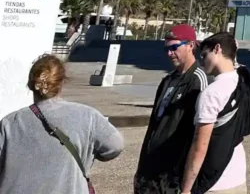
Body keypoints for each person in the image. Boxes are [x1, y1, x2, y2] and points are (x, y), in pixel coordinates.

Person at [0, 54, 123, 194]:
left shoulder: (9, 123)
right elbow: (115, 145)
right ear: (61, 83)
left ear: (31, 85)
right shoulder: (88, 116)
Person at [181, 33, 250, 194]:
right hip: (238, 177)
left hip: (214, 183)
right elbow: (237, 65)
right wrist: (233, 49)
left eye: (204, 55)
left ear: (217, 49)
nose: (202, 60)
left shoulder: (211, 94)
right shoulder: (244, 79)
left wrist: (186, 189)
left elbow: (200, 147)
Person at [135, 24, 209, 194]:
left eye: (175, 47)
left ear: (191, 45)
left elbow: (200, 134)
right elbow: (155, 125)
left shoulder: (198, 80)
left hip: (173, 176)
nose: (169, 53)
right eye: (167, 49)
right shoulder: (167, 81)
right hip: (150, 171)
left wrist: (186, 181)